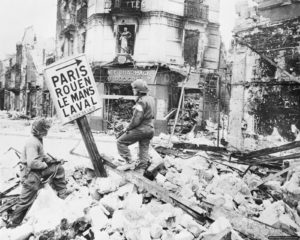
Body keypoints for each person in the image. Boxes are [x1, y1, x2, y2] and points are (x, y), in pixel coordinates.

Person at [9, 118, 68, 227]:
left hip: (35, 172)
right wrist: (44, 165)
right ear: (41, 130)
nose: (47, 131)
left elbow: (42, 155)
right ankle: (13, 223)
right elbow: (32, 163)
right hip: (30, 174)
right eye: (46, 129)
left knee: (58, 168)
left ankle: (62, 194)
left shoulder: (38, 139)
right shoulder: (33, 142)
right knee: (25, 201)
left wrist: (53, 160)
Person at [117, 79, 155, 172]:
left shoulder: (141, 102)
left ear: (138, 91)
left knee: (120, 142)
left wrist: (128, 128)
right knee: (143, 148)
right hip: (150, 129)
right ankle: (141, 169)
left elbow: (136, 120)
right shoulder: (151, 99)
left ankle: (129, 162)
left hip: (141, 129)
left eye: (134, 89)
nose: (133, 91)